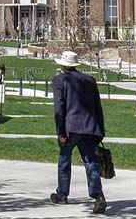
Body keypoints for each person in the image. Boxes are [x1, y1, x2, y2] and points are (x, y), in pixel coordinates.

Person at [50, 50, 107, 214]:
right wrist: (100, 131)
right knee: (91, 162)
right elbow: (98, 107)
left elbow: (59, 109)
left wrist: (60, 132)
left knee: (64, 160)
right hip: (90, 127)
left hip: (70, 128)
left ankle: (62, 193)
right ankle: (99, 196)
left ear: (62, 65)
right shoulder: (90, 80)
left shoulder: (59, 81)